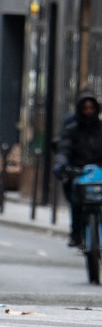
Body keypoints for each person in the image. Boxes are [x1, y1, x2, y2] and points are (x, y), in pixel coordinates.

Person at [53, 88, 102, 248]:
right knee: (76, 201)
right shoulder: (71, 129)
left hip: (99, 174)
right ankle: (76, 233)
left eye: (91, 108)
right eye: (85, 108)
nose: (88, 112)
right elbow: (64, 149)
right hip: (78, 172)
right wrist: (62, 164)